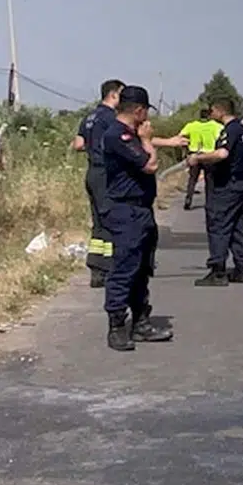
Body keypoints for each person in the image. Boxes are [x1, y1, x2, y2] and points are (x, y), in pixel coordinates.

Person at [99, 85, 173, 351]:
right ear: (139, 110)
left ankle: (141, 321)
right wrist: (147, 141)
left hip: (140, 209)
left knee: (142, 268)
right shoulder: (118, 136)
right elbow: (150, 165)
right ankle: (117, 325)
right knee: (125, 268)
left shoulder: (127, 134)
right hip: (124, 211)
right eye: (145, 112)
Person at [186, 97, 243, 286]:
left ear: (219, 110)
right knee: (238, 227)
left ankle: (217, 271)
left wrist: (198, 158)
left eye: (212, 111)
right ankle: (242, 268)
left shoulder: (229, 131)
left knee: (219, 226)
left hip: (226, 187)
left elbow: (222, 154)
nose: (211, 114)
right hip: (242, 184)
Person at [71, 79, 125, 288]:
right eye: (122, 95)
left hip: (92, 173)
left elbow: (77, 145)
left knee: (98, 221)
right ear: (113, 95)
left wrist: (93, 148)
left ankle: (96, 267)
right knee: (111, 218)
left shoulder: (89, 117)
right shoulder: (111, 118)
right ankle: (109, 267)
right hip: (105, 173)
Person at [173, 108, 223, 210]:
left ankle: (188, 199)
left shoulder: (191, 125)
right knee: (209, 180)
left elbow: (180, 136)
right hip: (209, 156)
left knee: (192, 179)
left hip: (194, 154)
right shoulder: (216, 126)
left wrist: (186, 146)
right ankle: (210, 202)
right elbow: (222, 136)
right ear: (209, 116)